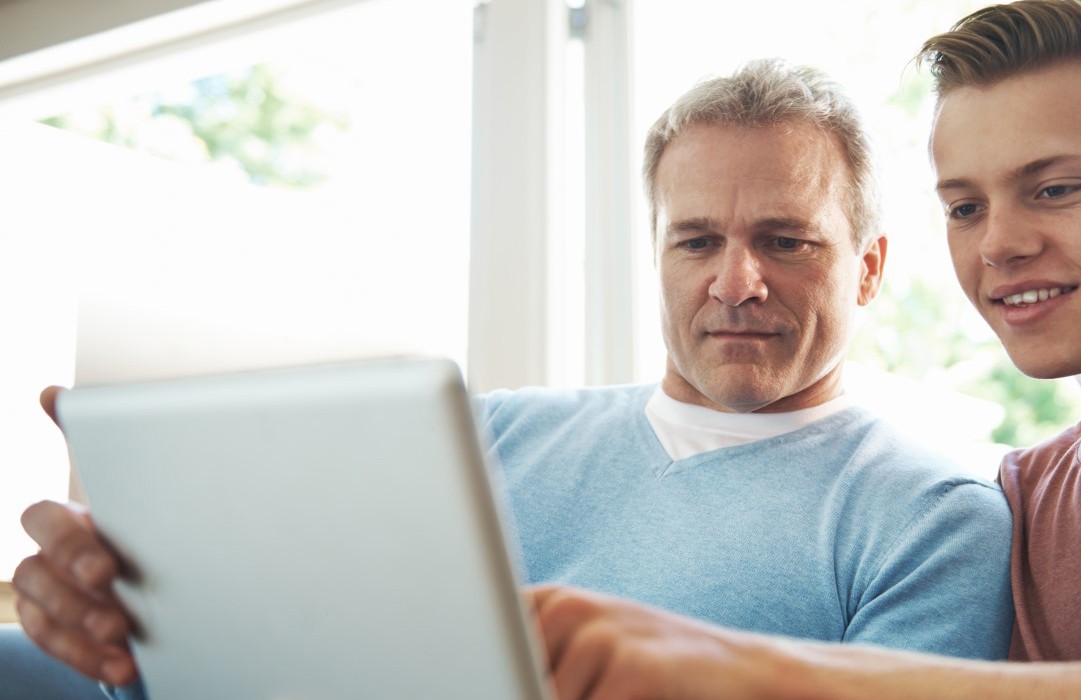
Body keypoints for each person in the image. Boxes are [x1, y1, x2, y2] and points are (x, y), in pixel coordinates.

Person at [10, 59, 1016, 698]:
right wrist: (138, 636)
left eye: (785, 241)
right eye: (696, 239)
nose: (735, 282)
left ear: (871, 266)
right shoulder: (483, 436)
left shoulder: (931, 514)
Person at [517, 0, 1081, 698]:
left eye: (1053, 188)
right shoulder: (1025, 499)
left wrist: (735, 667)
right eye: (965, 207)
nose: (998, 244)